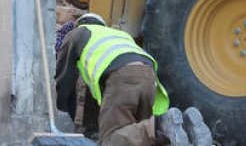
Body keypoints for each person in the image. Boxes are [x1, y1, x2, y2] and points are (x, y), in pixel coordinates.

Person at [54, 13, 211, 146]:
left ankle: (160, 124)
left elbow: (63, 78)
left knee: (109, 140)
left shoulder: (78, 33)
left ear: (80, 23)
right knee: (140, 137)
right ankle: (185, 125)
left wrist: (61, 112)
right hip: (149, 77)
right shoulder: (118, 34)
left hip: (122, 76)